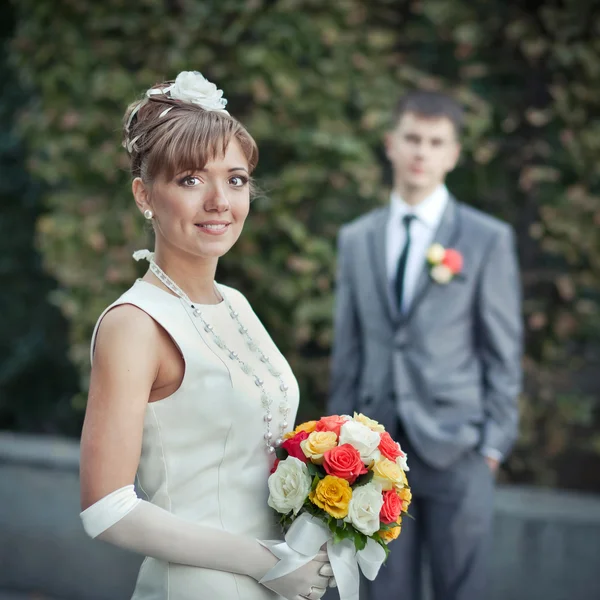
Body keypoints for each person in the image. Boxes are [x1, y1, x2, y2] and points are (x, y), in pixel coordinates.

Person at [79, 71, 333, 600]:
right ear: (144, 194)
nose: (220, 200)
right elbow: (106, 509)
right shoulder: (134, 323)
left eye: (236, 179)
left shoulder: (235, 303)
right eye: (191, 179)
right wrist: (264, 561)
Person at [328, 90, 523, 600]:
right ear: (391, 144)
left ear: (453, 154)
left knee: (462, 589)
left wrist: (492, 445)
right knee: (384, 590)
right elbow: (348, 350)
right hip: (377, 454)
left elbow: (502, 351)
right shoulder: (356, 238)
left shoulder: (486, 239)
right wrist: (343, 444)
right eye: (412, 138)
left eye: (436, 142)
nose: (422, 152)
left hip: (460, 450)